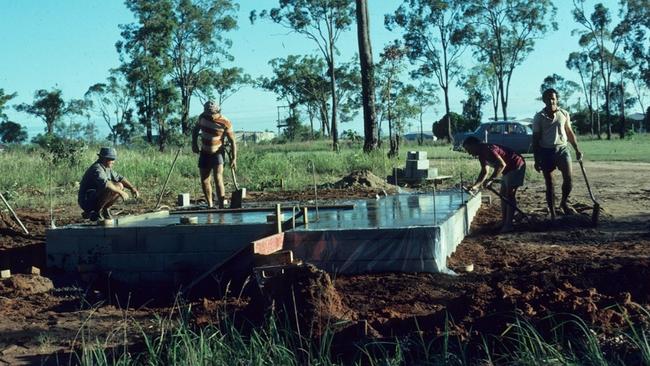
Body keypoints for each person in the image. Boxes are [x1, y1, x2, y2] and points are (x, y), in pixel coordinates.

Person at [532, 88, 583, 221]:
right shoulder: (538, 117)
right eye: (548, 99)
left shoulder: (564, 113)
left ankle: (563, 203)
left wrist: (577, 149)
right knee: (550, 184)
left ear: (557, 99)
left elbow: (569, 132)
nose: (551, 101)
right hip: (546, 152)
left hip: (562, 150)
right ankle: (553, 213)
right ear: (544, 100)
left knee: (569, 179)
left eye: (553, 98)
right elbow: (535, 139)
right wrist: (536, 160)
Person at [464, 136, 526, 233]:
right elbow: (484, 171)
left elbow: (502, 165)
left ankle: (508, 225)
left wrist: (491, 179)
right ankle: (505, 221)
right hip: (507, 170)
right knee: (503, 195)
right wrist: (475, 186)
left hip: (516, 165)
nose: (469, 153)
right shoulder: (481, 155)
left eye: (468, 149)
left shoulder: (488, 149)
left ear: (474, 145)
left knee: (510, 194)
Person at [192, 101, 237, 209]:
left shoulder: (225, 122)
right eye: (207, 112)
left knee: (218, 178)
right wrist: (194, 143)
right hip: (204, 152)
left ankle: (221, 205)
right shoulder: (202, 117)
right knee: (205, 179)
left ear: (217, 111)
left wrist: (234, 158)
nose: (210, 115)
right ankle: (210, 205)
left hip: (217, 153)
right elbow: (195, 130)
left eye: (211, 113)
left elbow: (232, 142)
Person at [78, 147, 140, 221]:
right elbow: (106, 184)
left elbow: (120, 178)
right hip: (87, 200)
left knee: (119, 185)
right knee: (113, 188)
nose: (114, 162)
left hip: (95, 197)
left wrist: (132, 188)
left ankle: (105, 210)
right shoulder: (97, 169)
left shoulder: (107, 168)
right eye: (112, 159)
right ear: (105, 159)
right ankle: (95, 212)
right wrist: (121, 192)